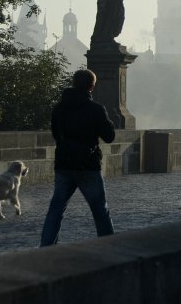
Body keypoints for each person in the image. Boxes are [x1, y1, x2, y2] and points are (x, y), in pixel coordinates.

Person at [40, 69, 116, 246]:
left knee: (56, 209)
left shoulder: (59, 108)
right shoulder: (96, 109)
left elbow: (56, 134)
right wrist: (108, 121)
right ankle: (109, 245)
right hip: (88, 165)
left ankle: (46, 246)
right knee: (99, 209)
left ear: (73, 83)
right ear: (92, 86)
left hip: (64, 163)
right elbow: (109, 136)